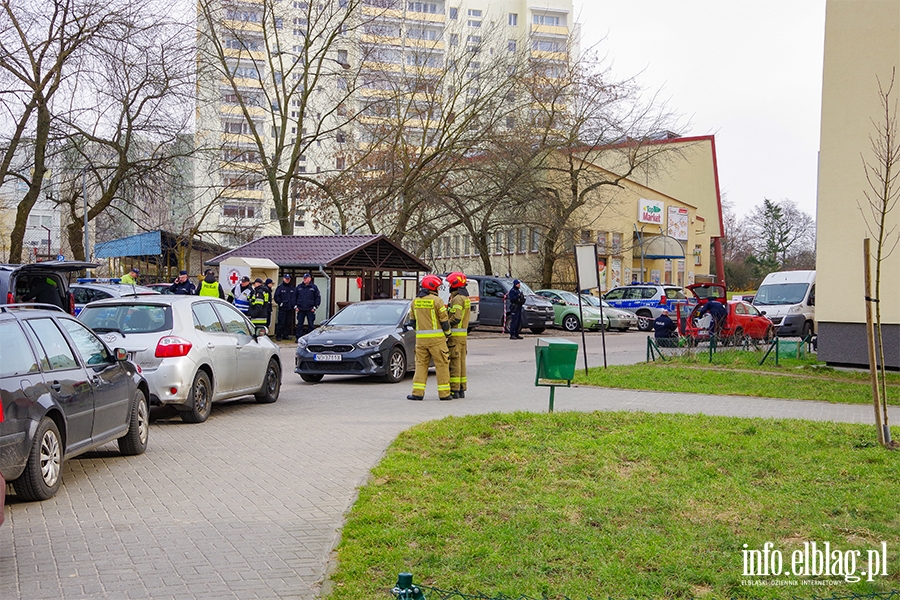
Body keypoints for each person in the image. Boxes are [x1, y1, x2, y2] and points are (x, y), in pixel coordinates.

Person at [407, 274, 452, 401]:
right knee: (442, 364)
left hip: (420, 341)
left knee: (421, 365)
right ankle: (444, 394)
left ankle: (417, 393)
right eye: (437, 287)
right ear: (432, 287)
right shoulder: (437, 301)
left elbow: (412, 322)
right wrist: (448, 334)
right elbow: (444, 321)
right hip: (437, 340)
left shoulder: (415, 301)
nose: (438, 289)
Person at [446, 271, 471, 399]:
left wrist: (446, 325)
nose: (449, 286)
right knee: (461, 362)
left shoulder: (457, 299)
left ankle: (454, 389)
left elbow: (456, 317)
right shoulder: (465, 298)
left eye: (450, 283)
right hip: (463, 336)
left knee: (454, 362)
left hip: (455, 336)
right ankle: (461, 388)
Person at [294, 272, 321, 341]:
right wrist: (295, 306)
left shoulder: (314, 287)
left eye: (306, 278)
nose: (305, 279)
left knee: (311, 325)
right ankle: (298, 338)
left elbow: (318, 298)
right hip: (300, 309)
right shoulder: (299, 287)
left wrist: (315, 307)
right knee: (299, 324)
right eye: (304, 278)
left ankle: (311, 339)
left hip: (310, 309)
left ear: (310, 279)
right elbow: (294, 297)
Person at [273, 274, 295, 341]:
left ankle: (285, 335)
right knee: (281, 323)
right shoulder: (280, 287)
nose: (287, 280)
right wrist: (280, 303)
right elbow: (276, 296)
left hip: (289, 308)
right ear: (283, 279)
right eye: (286, 279)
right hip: (282, 308)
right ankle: (279, 335)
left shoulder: (292, 288)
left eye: (288, 279)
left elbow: (294, 297)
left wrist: (293, 305)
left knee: (288, 323)